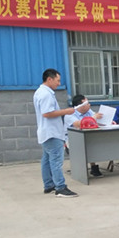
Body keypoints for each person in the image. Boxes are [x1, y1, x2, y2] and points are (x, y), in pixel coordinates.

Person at [33, 69, 78, 198]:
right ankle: (60, 187)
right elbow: (47, 113)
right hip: (52, 133)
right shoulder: (46, 94)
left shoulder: (40, 92)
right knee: (56, 161)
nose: (59, 83)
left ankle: (49, 185)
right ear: (49, 79)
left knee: (47, 160)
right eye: (57, 81)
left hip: (46, 132)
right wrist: (66, 111)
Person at [64, 94, 105, 178]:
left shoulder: (88, 111)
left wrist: (107, 122)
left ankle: (94, 167)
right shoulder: (69, 114)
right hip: (72, 140)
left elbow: (97, 119)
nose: (89, 105)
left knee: (93, 144)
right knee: (84, 145)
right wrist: (94, 117)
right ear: (81, 106)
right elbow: (78, 124)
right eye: (87, 103)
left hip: (87, 136)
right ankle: (79, 169)